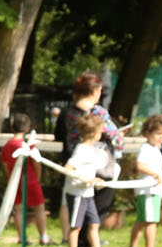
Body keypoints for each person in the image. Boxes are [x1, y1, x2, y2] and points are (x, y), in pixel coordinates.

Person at [52, 72, 121, 228]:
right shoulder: (99, 114)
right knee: (94, 214)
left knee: (74, 208)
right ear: (94, 91)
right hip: (99, 169)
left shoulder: (66, 113)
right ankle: (88, 242)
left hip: (75, 170)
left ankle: (75, 240)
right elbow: (116, 138)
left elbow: (59, 137)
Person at [62, 112, 115, 247]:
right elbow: (68, 169)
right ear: (93, 133)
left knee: (94, 223)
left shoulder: (91, 149)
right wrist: (85, 180)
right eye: (100, 131)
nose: (101, 134)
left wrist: (94, 180)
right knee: (76, 226)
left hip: (88, 193)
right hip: (77, 194)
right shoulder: (81, 150)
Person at [0, 112, 49, 247]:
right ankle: (43, 237)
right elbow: (37, 164)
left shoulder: (7, 146)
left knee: (18, 210)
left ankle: (22, 237)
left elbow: (5, 165)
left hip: (15, 182)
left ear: (12, 128)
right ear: (28, 128)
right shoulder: (29, 145)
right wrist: (38, 179)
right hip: (30, 179)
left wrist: (10, 178)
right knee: (39, 208)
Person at [127, 114, 162, 247]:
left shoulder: (156, 149)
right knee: (150, 221)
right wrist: (155, 175)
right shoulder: (146, 148)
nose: (161, 137)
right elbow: (140, 166)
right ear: (147, 133)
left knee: (142, 221)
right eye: (158, 133)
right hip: (148, 191)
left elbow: (157, 171)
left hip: (154, 190)